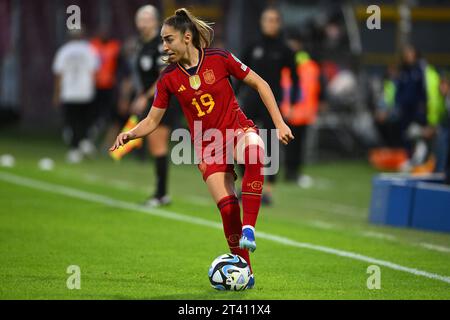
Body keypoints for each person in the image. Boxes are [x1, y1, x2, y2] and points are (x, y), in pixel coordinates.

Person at [110, 8, 294, 289]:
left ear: (187, 37)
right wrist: (130, 134)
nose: (164, 46)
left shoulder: (220, 59)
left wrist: (279, 123)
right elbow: (152, 119)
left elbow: (261, 83)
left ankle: (250, 227)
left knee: (256, 153)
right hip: (208, 148)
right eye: (162, 40)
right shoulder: (169, 78)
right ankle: (245, 271)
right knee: (228, 210)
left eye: (168, 39)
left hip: (237, 130)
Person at [237, 6, 298, 205]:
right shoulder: (252, 45)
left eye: (274, 20)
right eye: (267, 20)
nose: (270, 24)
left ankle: (268, 190)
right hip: (251, 101)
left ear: (278, 24)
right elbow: (238, 73)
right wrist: (234, 97)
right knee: (240, 140)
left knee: (271, 145)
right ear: (261, 22)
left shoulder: (285, 49)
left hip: (273, 104)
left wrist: (292, 103)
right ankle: (245, 182)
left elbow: (295, 78)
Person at [132, 5, 179, 207]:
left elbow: (164, 74)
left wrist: (144, 97)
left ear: (155, 20)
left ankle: (161, 194)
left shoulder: (161, 44)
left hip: (165, 99)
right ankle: (161, 193)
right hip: (153, 99)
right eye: (140, 17)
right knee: (155, 146)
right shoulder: (142, 44)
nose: (143, 21)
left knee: (158, 145)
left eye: (147, 18)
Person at [53, 28, 99, 163]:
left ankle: (75, 149)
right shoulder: (89, 49)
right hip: (85, 91)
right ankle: (84, 142)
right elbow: (94, 71)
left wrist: (56, 93)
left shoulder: (64, 51)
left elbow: (59, 74)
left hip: (69, 92)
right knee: (85, 120)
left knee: (72, 122)